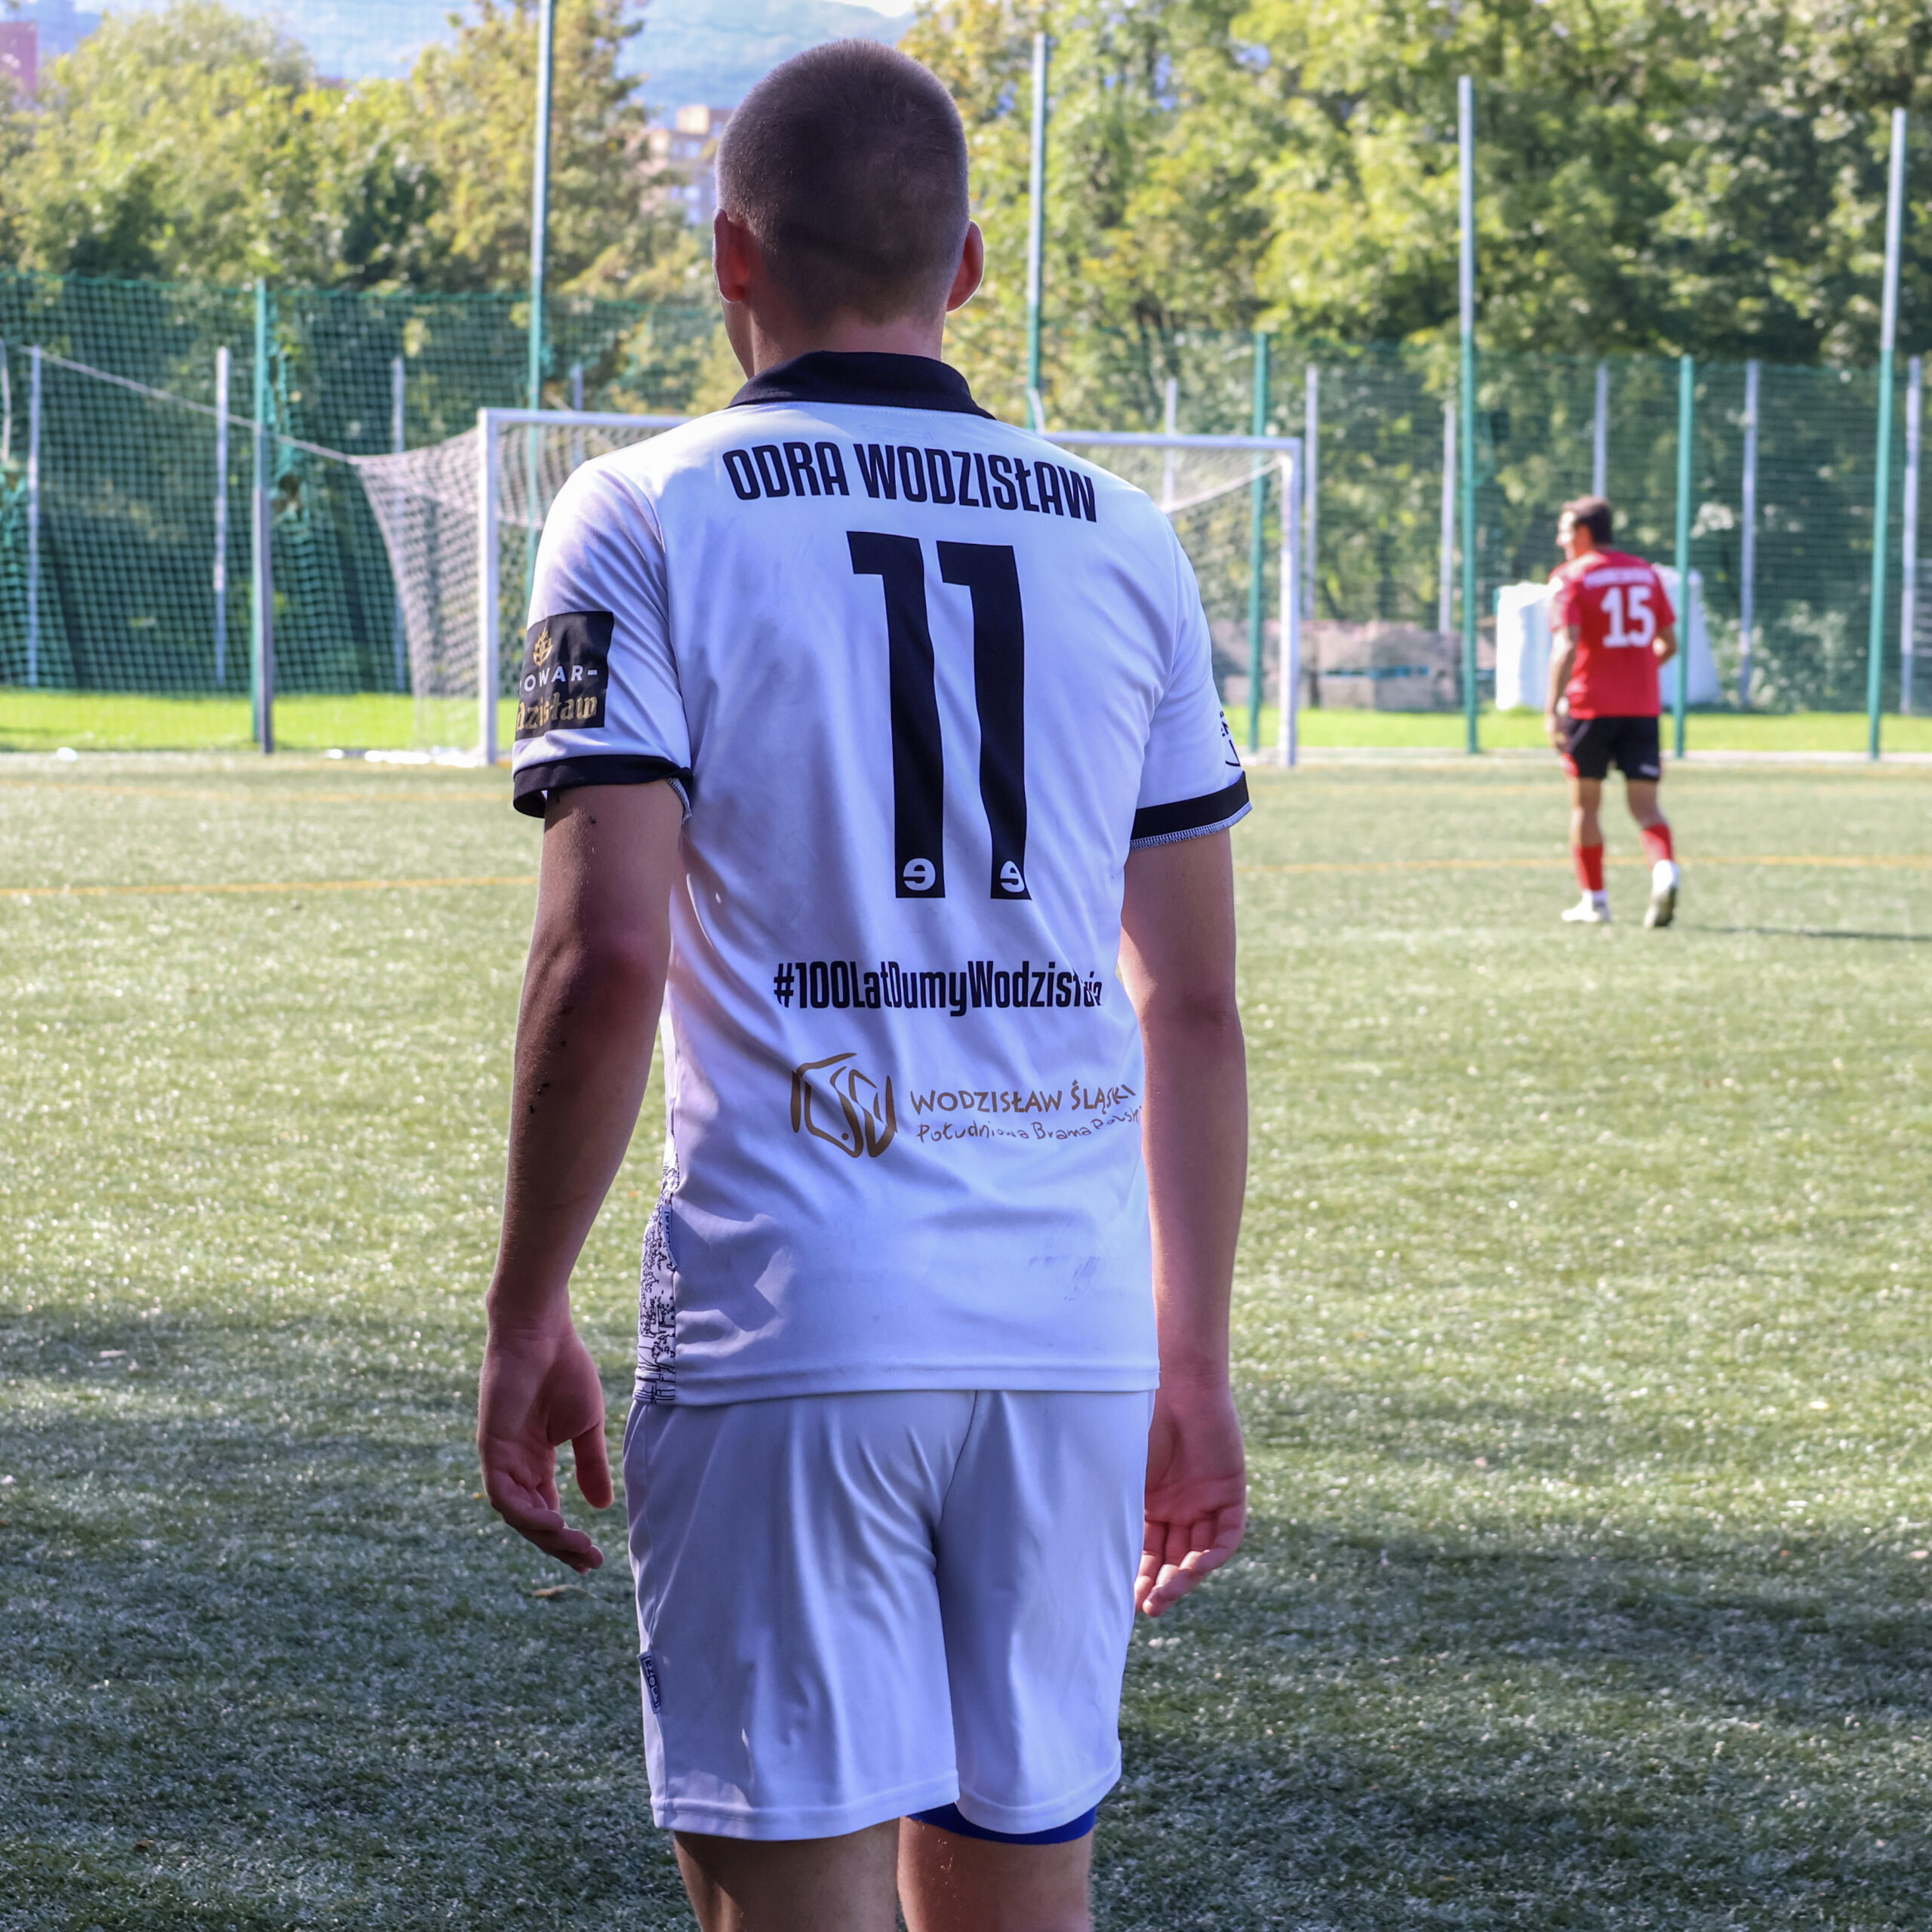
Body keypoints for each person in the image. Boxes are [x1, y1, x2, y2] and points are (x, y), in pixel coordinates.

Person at [475, 40, 1251, 1932]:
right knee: (1023, 1886)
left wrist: (524, 1302)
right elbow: (1192, 1003)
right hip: (1069, 1331)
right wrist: (1191, 1360)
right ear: (966, 266)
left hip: (795, 1307)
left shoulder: (641, 506)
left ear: (726, 253)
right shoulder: (1125, 537)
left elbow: (604, 952)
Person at [1544, 495, 1682, 928]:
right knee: (1647, 807)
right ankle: (1664, 872)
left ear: (1583, 533)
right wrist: (1635, 671)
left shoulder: (1571, 577)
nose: (1561, 540)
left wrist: (1552, 709)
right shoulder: (1645, 572)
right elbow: (1669, 644)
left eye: (1565, 531)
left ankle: (1595, 901)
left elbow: (1567, 644)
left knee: (1586, 805)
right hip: (1642, 707)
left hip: (1591, 707)